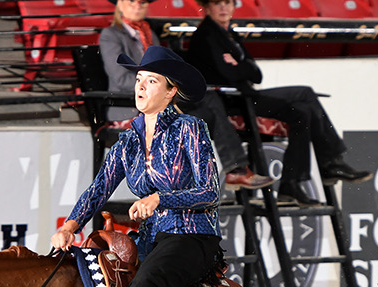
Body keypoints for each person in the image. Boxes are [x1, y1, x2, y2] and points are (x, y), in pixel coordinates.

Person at [52, 46, 223, 287]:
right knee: (95, 284)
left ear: (170, 91)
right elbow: (98, 189)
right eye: (139, 80)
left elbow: (211, 191)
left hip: (192, 235)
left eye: (152, 81)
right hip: (153, 238)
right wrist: (70, 225)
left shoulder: (191, 130)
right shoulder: (127, 140)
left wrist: (162, 197)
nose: (141, 87)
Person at [187, 0, 372, 206]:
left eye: (228, 3)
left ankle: (291, 184)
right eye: (217, 3)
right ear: (208, 7)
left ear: (234, 6)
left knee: (302, 112)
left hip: (246, 96)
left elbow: (256, 74)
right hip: (233, 102)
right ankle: (330, 162)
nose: (223, 8)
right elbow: (231, 72)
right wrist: (242, 67)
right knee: (305, 93)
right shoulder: (206, 35)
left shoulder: (230, 34)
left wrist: (239, 66)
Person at [99, 0, 272, 191]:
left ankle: (230, 172)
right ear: (120, 5)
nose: (138, 5)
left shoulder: (149, 34)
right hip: (129, 107)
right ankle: (227, 173)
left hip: (158, 103)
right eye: (132, 0)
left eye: (143, 2)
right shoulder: (111, 35)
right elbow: (122, 79)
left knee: (210, 104)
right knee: (208, 111)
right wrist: (161, 88)